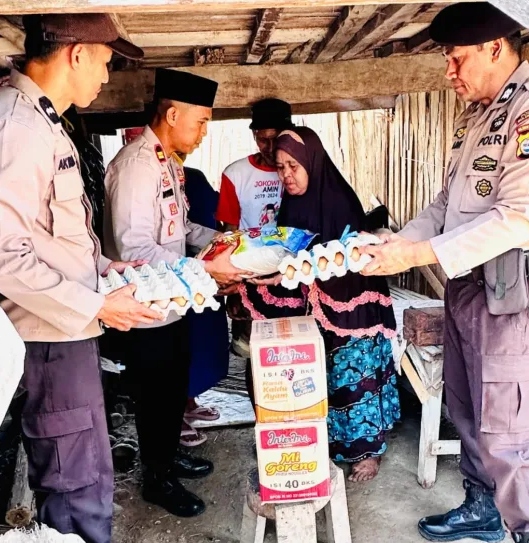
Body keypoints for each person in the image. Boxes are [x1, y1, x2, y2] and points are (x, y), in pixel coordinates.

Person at [361, 4, 529, 543]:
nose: (449, 73)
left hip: (510, 291)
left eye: (456, 59)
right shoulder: (478, 116)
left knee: (508, 428)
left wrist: (419, 255)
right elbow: (445, 203)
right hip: (466, 283)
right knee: (464, 407)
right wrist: (400, 242)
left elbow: (521, 215)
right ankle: (484, 508)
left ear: (494, 48)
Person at [0, 14, 161, 543]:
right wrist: (96, 303)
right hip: (47, 335)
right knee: (72, 479)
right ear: (75, 54)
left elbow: (49, 238)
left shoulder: (38, 121)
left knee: (86, 468)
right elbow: (0, 258)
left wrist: (103, 272)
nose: (106, 75)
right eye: (104, 60)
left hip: (63, 326)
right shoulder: (16, 128)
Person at [103, 69, 246, 518]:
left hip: (173, 302)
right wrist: (207, 268)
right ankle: (157, 479)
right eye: (200, 121)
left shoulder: (167, 162)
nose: (204, 132)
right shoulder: (135, 166)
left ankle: (167, 458)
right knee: (154, 395)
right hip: (144, 308)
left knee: (171, 388)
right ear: (171, 113)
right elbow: (134, 249)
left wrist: (226, 242)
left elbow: (180, 230)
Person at [240, 127, 400, 482]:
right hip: (312, 305)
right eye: (281, 168)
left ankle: (367, 451)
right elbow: (285, 252)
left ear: (312, 162)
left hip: (350, 305)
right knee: (318, 377)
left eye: (294, 166)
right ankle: (323, 443)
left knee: (353, 375)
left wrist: (296, 272)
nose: (287, 176)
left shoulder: (339, 200)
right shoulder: (292, 204)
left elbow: (345, 262)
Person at [182, 164, 230, 445]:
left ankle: (188, 402)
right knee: (180, 345)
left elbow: (217, 217)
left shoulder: (195, 176)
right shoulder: (140, 174)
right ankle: (175, 415)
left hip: (206, 267)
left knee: (205, 339)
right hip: (173, 271)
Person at [215, 98, 293, 232]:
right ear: (254, 134)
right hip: (249, 252)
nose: (270, 148)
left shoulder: (301, 170)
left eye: (276, 139)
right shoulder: (234, 174)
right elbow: (230, 231)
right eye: (263, 140)